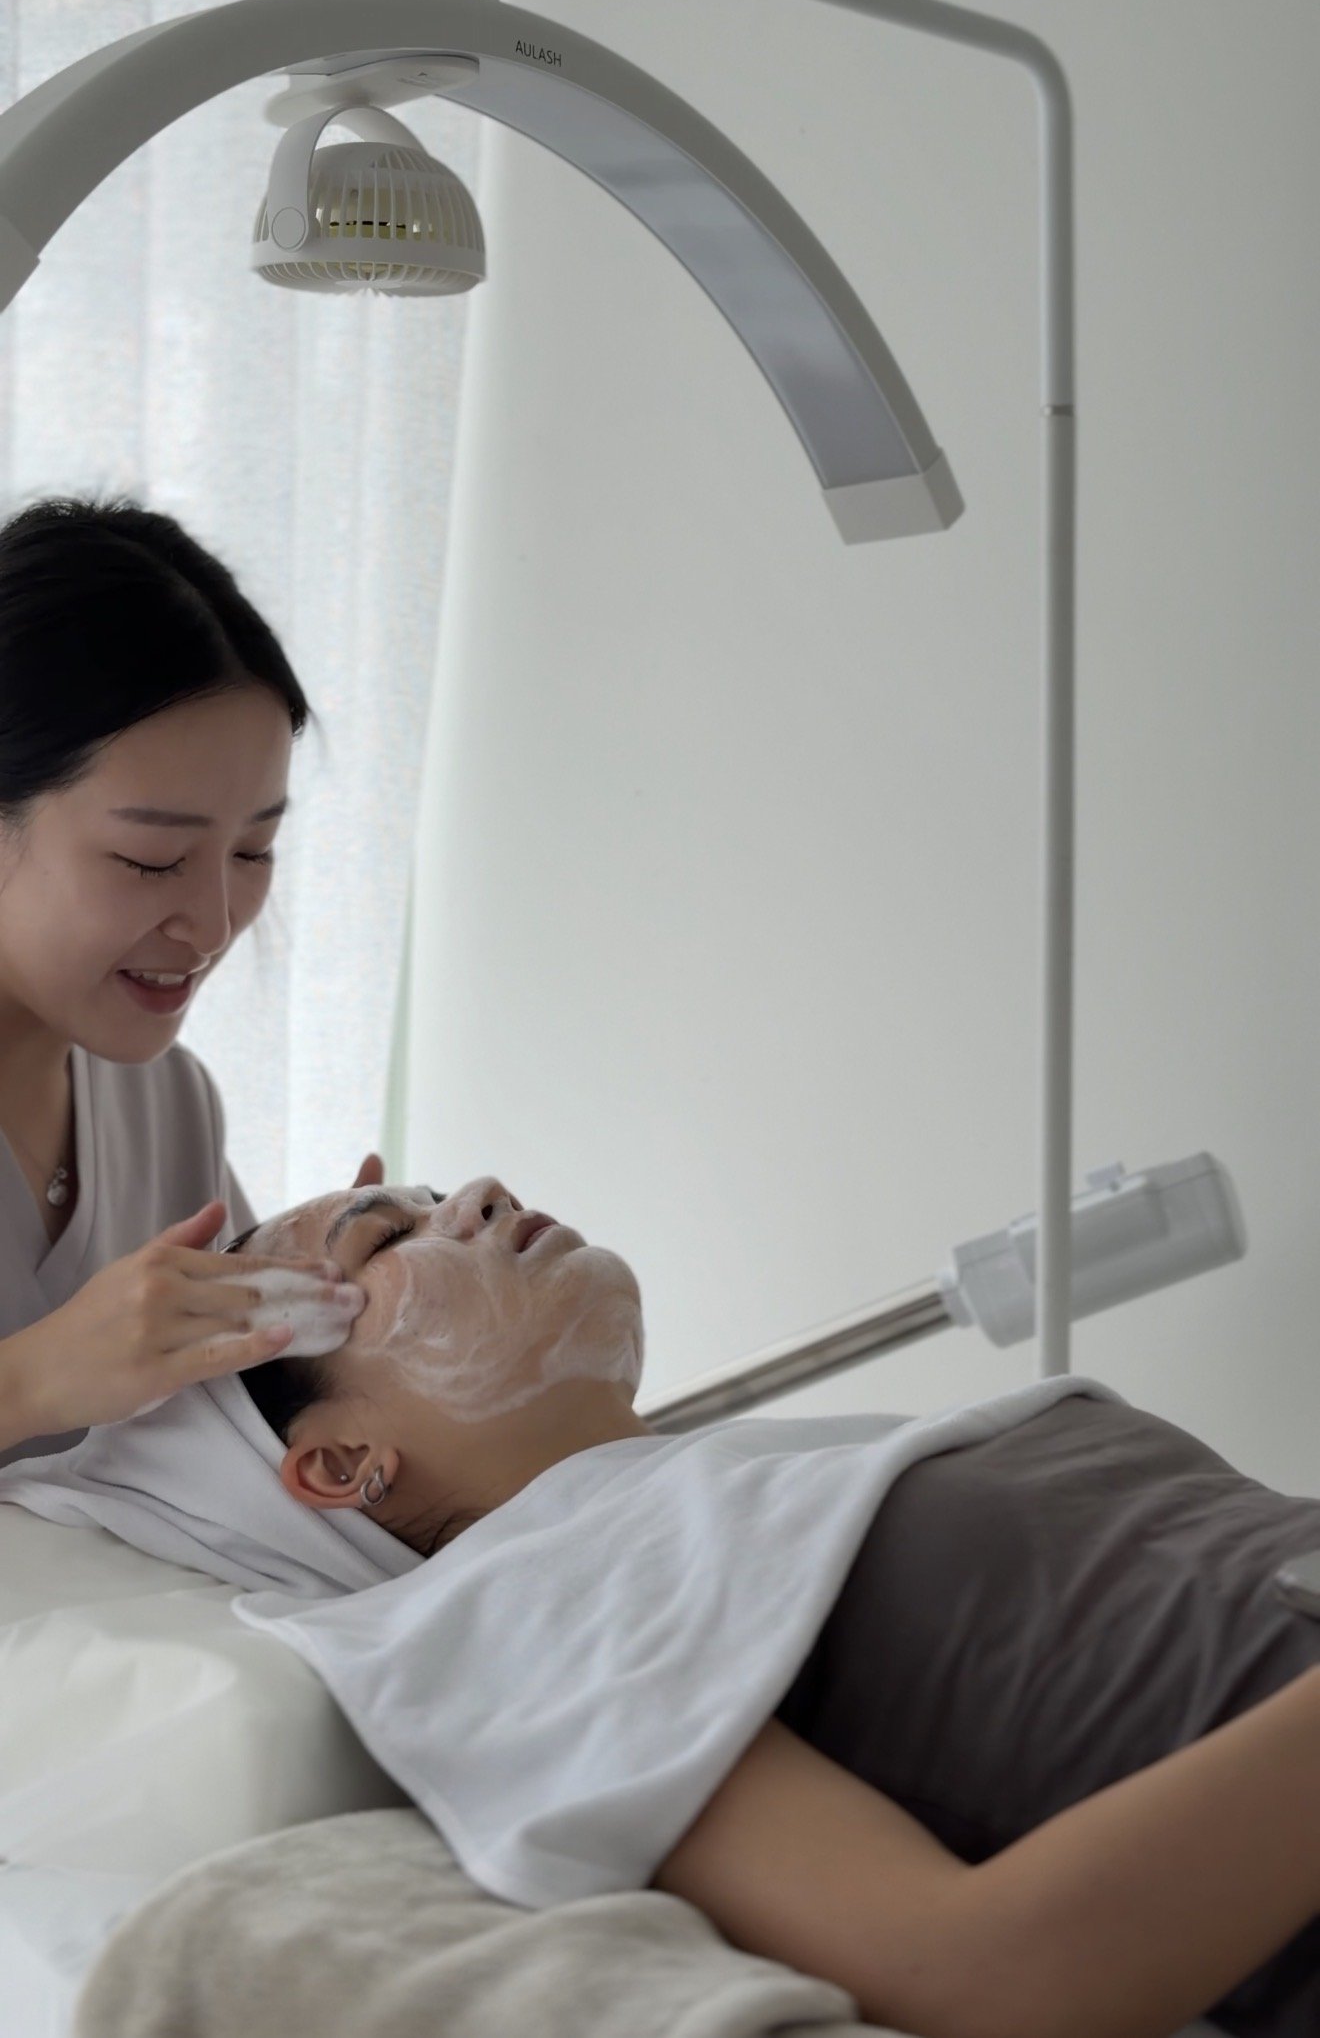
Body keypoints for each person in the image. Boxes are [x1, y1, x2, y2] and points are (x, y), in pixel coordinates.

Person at [216, 1173, 1320, 2038]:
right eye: (386, 1237)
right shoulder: (520, 1608)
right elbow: (979, 1972)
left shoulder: (739, 1490)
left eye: (429, 1191)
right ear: (342, 1462)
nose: (481, 1192)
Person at [0, 494, 382, 1464]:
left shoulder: (166, 1103)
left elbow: (234, 1431)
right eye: (152, 860)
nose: (213, 926)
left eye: (254, 851)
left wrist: (334, 1293)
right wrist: (28, 1382)